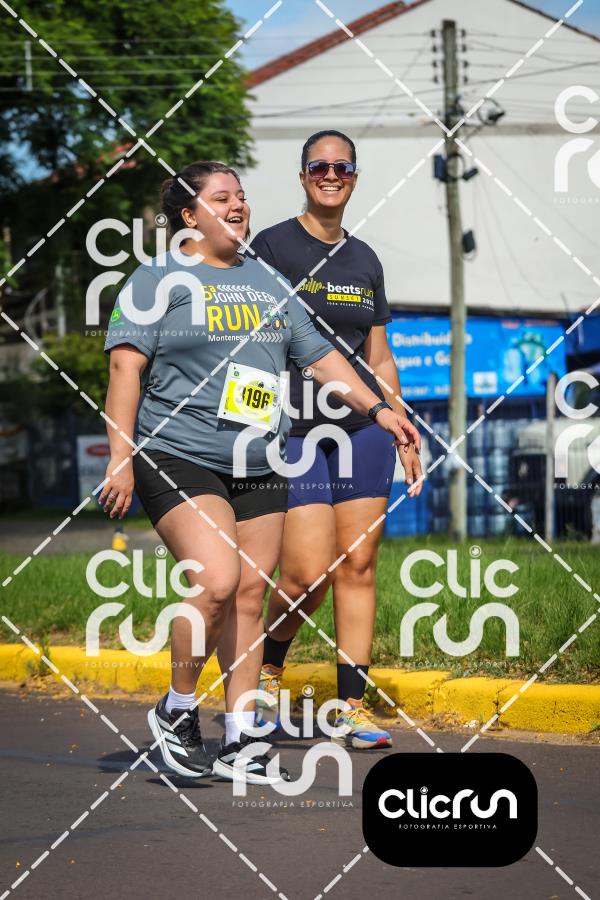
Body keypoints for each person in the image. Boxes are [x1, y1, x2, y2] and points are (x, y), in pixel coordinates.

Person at [100, 160, 420, 783]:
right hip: (179, 452)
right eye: (222, 197)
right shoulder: (157, 278)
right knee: (217, 581)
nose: (238, 205)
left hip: (260, 458)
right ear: (189, 215)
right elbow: (124, 370)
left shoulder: (266, 280)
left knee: (251, 593)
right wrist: (121, 456)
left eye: (242, 196)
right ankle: (177, 709)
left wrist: (381, 410)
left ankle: (240, 737)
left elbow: (322, 358)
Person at [251, 131, 423, 750]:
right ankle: (266, 670)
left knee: (359, 564)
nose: (330, 175)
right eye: (319, 166)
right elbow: (250, 339)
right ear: (302, 175)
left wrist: (400, 423)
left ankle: (351, 706)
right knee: (304, 573)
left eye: (341, 167)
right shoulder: (271, 246)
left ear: (354, 177)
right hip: (294, 428)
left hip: (361, 428)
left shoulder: (364, 259)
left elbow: (379, 354)